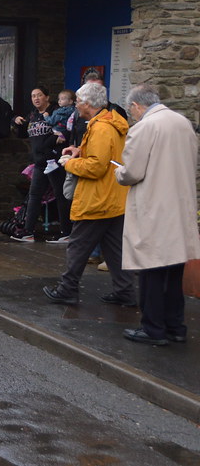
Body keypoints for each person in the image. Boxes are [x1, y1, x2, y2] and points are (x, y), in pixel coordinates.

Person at [115, 84, 200, 345]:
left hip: (154, 208)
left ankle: (153, 329)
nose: (132, 114)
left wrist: (118, 171)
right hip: (179, 205)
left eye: (131, 109)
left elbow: (133, 171)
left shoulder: (144, 127)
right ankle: (176, 327)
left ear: (136, 105)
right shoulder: (183, 123)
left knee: (151, 271)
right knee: (174, 272)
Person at [42, 82, 135, 307]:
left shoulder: (101, 128)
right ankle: (126, 292)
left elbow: (96, 167)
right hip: (113, 197)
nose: (76, 105)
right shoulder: (109, 123)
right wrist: (79, 151)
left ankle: (67, 289)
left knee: (78, 245)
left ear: (87, 104)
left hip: (97, 198)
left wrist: (71, 163)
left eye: (78, 101)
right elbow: (105, 156)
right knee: (114, 248)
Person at [10, 86, 72, 243]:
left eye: (39, 95)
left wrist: (51, 142)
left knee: (61, 196)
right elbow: (25, 134)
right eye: (33, 96)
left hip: (54, 161)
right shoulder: (33, 115)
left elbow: (63, 133)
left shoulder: (56, 112)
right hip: (39, 162)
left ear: (47, 97)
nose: (36, 98)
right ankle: (28, 231)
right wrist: (16, 122)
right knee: (34, 196)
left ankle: (66, 232)